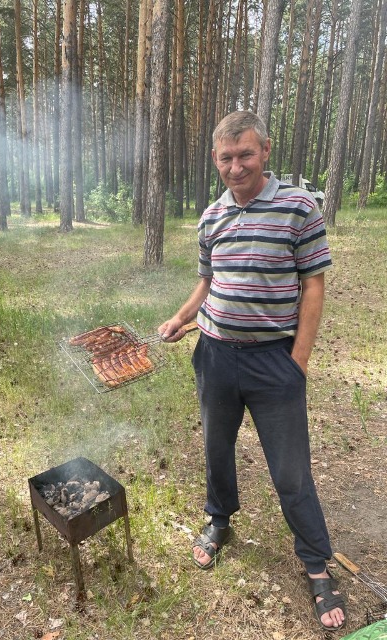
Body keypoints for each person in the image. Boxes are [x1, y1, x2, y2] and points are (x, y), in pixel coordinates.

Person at [158, 111, 346, 632]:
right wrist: (180, 317)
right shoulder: (211, 216)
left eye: (245, 154)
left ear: (265, 150)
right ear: (215, 160)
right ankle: (219, 521)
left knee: (290, 469)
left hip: (273, 361)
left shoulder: (297, 208)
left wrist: (298, 362)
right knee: (216, 448)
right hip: (215, 355)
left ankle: (314, 561)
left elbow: (313, 285)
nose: (236, 166)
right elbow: (208, 282)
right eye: (226, 158)